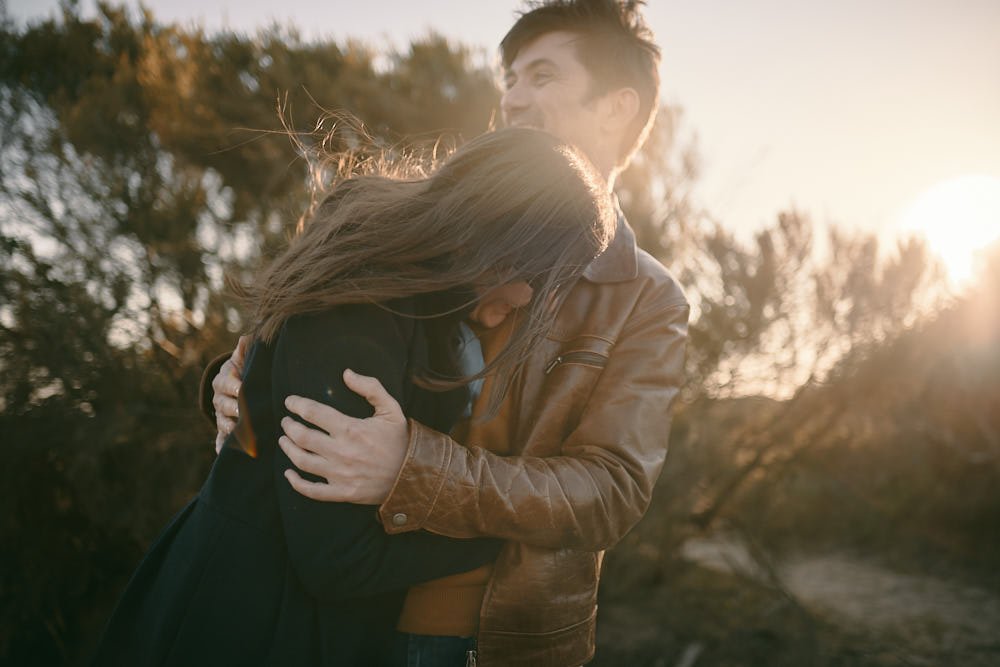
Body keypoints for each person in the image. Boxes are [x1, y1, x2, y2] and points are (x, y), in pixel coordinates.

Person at [206, 1, 690, 665]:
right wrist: (237, 385)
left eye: (542, 76)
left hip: (497, 637)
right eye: (510, 77)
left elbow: (610, 490)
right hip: (340, 608)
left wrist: (415, 466)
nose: (513, 98)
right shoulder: (445, 219)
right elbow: (326, 328)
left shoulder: (647, 296)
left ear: (616, 108)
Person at [92, 128, 616, 667]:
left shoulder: (417, 289)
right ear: (496, 236)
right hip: (252, 618)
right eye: (537, 273)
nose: (535, 298)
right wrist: (506, 541)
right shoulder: (363, 301)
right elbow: (336, 558)